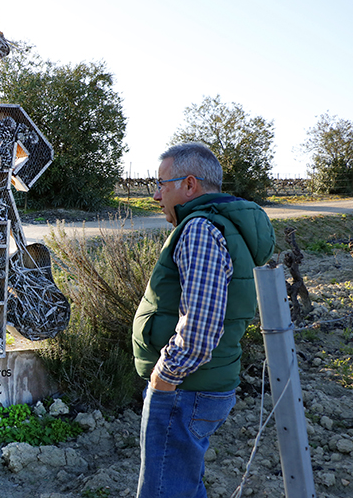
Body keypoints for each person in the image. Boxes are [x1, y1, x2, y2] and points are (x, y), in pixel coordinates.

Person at [132, 142, 275, 498]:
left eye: (162, 184)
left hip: (186, 388)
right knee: (182, 485)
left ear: (189, 185)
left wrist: (165, 376)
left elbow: (200, 325)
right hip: (202, 385)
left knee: (166, 492)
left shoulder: (200, 229)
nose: (155, 195)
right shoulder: (224, 226)